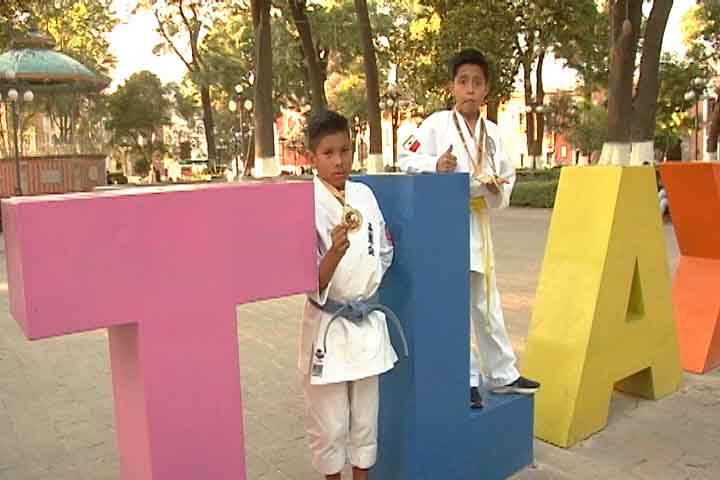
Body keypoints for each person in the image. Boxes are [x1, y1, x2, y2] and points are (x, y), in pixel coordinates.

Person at [399, 48, 539, 408]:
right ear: (452, 87)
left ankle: (504, 374)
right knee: (457, 303)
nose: (470, 89)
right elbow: (405, 156)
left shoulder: (492, 134)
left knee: (487, 301)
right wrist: (435, 163)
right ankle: (467, 379)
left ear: (486, 89)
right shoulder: (435, 124)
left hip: (479, 219)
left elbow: (507, 175)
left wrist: (497, 188)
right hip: (447, 224)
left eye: (477, 82)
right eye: (463, 82)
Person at [299, 109, 399, 480]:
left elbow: (384, 251)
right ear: (312, 157)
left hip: (367, 321)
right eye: (328, 153)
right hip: (328, 324)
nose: (339, 161)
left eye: (345, 150)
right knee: (330, 425)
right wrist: (335, 254)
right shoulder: (303, 202)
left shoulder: (365, 195)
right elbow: (305, 279)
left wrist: (365, 289)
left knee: (365, 423)